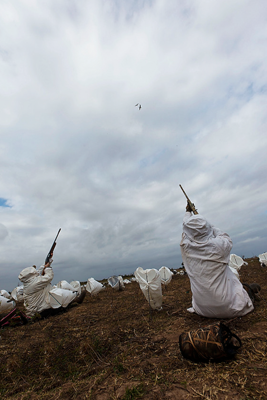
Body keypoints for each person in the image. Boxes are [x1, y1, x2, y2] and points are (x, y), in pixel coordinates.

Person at [180, 202, 254, 318]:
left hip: (203, 309)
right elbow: (224, 236)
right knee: (237, 283)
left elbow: (186, 226)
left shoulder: (185, 247)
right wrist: (210, 225)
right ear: (207, 228)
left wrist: (187, 212)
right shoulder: (219, 246)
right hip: (230, 307)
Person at [18, 257, 86, 318]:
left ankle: (75, 300)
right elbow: (49, 277)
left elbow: (39, 271)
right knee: (59, 299)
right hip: (39, 312)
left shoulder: (28, 283)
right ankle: (76, 300)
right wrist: (48, 268)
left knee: (57, 299)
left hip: (34, 311)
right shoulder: (33, 283)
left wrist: (48, 261)